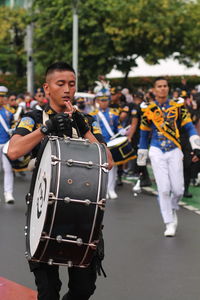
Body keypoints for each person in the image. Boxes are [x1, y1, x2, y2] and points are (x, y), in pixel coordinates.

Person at [7, 62, 113, 300]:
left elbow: (108, 161)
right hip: (44, 214)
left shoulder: (87, 120)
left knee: (84, 289)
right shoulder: (34, 117)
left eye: (72, 84)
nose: (67, 89)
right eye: (61, 83)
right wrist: (47, 128)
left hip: (83, 215)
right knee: (48, 291)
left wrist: (83, 128)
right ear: (47, 88)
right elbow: (13, 151)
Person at [137, 77, 200, 237]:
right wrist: (141, 159)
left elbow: (189, 126)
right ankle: (169, 222)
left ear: (168, 88)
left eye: (165, 86)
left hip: (174, 150)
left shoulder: (178, 107)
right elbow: (144, 135)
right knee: (164, 189)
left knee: (178, 190)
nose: (163, 88)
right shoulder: (148, 109)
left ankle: (172, 208)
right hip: (157, 150)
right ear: (154, 89)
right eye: (159, 86)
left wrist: (196, 145)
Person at [90, 84, 120, 199]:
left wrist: (122, 130)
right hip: (98, 144)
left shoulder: (114, 113)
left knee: (113, 167)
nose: (104, 102)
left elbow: (118, 126)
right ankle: (102, 190)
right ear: (98, 101)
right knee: (99, 167)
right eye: (101, 100)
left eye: (106, 100)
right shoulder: (93, 115)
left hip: (111, 143)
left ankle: (111, 189)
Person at [0, 86, 15, 204]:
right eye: (1, 96)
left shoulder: (9, 112)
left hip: (5, 144)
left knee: (8, 169)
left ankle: (8, 193)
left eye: (4, 96)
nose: (2, 98)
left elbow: (14, 125)